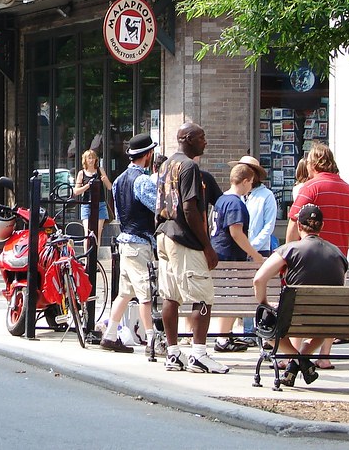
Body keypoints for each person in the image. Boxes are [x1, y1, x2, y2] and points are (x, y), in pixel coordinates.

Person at [154, 122, 228, 374]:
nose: (205, 142)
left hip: (164, 234)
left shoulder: (165, 165)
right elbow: (189, 208)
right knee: (203, 295)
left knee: (170, 296)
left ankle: (173, 354)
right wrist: (207, 246)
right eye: (201, 137)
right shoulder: (189, 166)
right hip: (184, 238)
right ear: (187, 138)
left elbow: (161, 202)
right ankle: (199, 354)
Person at [253, 204, 348, 387]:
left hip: (293, 318)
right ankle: (301, 360)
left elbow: (259, 280)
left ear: (298, 226)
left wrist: (264, 304)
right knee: (324, 326)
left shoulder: (289, 250)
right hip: (328, 321)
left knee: (264, 321)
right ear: (322, 226)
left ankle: (297, 359)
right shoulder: (338, 254)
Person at [286, 142, 349, 368]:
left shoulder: (311, 188)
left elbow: (293, 224)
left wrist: (288, 254)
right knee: (330, 309)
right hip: (336, 260)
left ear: (313, 163)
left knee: (298, 306)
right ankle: (324, 356)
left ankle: (294, 353)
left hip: (307, 258)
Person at [100, 134, 157, 355]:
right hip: (139, 242)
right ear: (148, 154)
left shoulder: (119, 181)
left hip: (124, 240)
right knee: (145, 294)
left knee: (125, 292)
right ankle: (152, 341)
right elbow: (159, 207)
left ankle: (111, 334)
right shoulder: (142, 180)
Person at [211, 164, 264, 352]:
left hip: (219, 253)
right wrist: (256, 255)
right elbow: (236, 233)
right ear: (245, 181)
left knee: (228, 296)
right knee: (232, 297)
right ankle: (223, 339)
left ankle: (224, 336)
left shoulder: (221, 200)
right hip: (230, 256)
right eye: (251, 182)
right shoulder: (235, 203)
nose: (251, 187)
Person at [235, 156, 278, 257]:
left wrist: (252, 248)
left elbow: (269, 226)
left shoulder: (267, 195)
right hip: (237, 250)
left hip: (260, 250)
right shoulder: (234, 195)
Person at [72, 149, 112, 243]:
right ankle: (87, 257)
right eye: (89, 158)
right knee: (87, 233)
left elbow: (110, 187)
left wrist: (105, 180)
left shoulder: (100, 170)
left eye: (93, 158)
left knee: (97, 233)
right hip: (86, 204)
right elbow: (76, 191)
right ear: (85, 160)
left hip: (100, 204)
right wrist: (87, 186)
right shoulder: (81, 173)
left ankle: (96, 256)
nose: (91, 160)